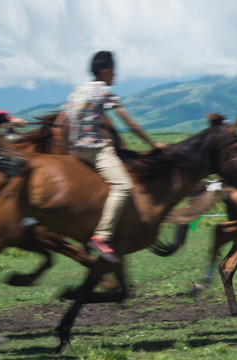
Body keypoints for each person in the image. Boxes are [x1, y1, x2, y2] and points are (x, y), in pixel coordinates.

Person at [62, 50, 162, 263]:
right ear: (105, 71)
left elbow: (67, 121)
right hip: (96, 149)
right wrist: (153, 144)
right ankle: (102, 236)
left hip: (75, 151)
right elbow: (130, 124)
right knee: (123, 186)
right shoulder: (104, 91)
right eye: (114, 72)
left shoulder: (77, 91)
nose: (115, 77)